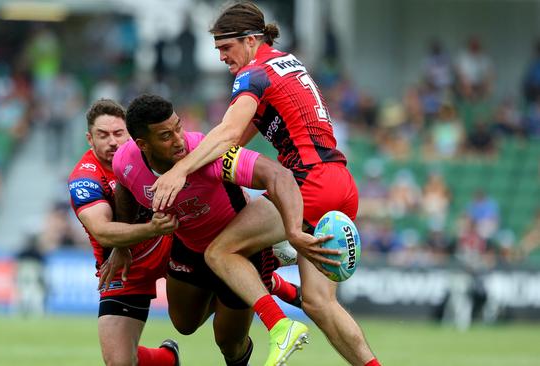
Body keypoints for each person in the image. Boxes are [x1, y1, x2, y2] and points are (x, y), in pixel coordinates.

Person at [150, 2, 381, 366]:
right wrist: (199, 163)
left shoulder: (253, 74)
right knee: (319, 303)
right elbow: (244, 134)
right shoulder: (287, 62)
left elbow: (226, 133)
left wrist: (178, 172)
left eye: (226, 47)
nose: (223, 57)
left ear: (251, 39)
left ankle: (279, 325)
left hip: (308, 184)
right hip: (339, 181)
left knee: (220, 252)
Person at [110, 94, 315, 366]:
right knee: (184, 324)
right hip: (190, 247)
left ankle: (263, 275)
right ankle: (270, 283)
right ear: (142, 144)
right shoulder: (125, 159)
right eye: (166, 136)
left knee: (229, 344)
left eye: (178, 127)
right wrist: (122, 245)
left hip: (237, 252)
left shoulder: (206, 154)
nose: (178, 139)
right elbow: (124, 184)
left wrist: (293, 231)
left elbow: (277, 175)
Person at [67, 99, 180, 366]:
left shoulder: (153, 152)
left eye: (119, 134)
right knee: (119, 363)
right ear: (89, 139)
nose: (112, 142)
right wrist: (150, 229)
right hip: (124, 268)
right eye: (102, 135)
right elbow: (103, 232)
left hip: (173, 248)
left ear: (131, 134)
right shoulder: (85, 178)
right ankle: (167, 359)